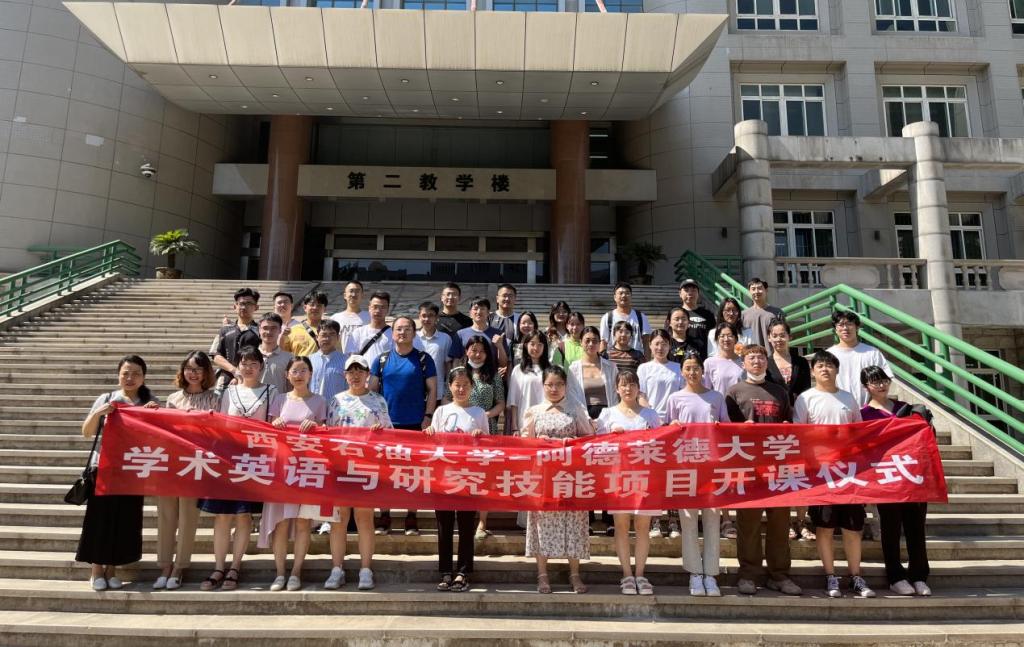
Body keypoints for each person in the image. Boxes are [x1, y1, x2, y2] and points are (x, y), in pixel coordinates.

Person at [794, 350, 875, 599]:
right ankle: (830, 575)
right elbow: (799, 435)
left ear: (837, 370)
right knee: (825, 526)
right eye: (820, 365)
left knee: (852, 527)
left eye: (829, 365)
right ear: (813, 371)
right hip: (820, 473)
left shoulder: (848, 398)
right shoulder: (805, 399)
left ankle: (856, 575)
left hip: (848, 472)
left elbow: (859, 433)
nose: (825, 369)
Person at [77, 355, 159, 591]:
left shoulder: (150, 402)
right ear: (118, 375)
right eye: (126, 373)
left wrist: (153, 414)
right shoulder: (107, 398)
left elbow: (156, 437)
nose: (130, 378)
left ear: (144, 377)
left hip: (133, 469)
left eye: (136, 373)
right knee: (99, 519)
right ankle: (96, 570)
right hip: (104, 468)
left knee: (124, 520)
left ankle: (112, 569)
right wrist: (98, 414)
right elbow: (86, 432)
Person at [726, 345, 801, 597]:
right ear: (743, 363)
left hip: (778, 468)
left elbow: (789, 423)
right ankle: (748, 574)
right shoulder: (734, 392)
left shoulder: (780, 392)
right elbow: (726, 431)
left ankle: (779, 575)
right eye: (751, 357)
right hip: (748, 468)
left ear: (767, 363)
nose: (756, 361)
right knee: (748, 525)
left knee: (780, 523)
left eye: (760, 357)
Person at [199, 346, 276, 591]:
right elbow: (221, 424)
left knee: (244, 515)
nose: (248, 367)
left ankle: (235, 567)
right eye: (244, 363)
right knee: (222, 516)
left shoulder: (271, 391)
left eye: (254, 363)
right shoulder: (229, 392)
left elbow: (274, 425)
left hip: (254, 460)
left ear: (261, 367)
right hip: (228, 459)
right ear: (238, 365)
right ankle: (218, 567)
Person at [522, 366, 595, 594]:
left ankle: (575, 573)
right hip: (543, 478)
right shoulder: (534, 412)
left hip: (570, 477)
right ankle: (542, 574)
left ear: (566, 386)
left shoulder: (576, 409)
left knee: (573, 523)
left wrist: (572, 441)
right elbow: (524, 445)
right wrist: (539, 442)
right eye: (550, 384)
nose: (554, 389)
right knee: (542, 524)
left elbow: (589, 439)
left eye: (559, 384)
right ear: (543, 386)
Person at [860, 365, 932, 597]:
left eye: (884, 380)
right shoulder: (863, 414)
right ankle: (895, 576)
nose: (881, 385)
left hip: (911, 476)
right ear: (866, 387)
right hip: (886, 477)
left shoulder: (907, 409)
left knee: (916, 528)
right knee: (890, 528)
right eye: (875, 382)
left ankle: (919, 575)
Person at [261, 356, 328, 592]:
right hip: (282, 469)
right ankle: (280, 573)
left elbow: (327, 435)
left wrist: (317, 428)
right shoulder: (279, 400)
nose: (299, 375)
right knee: (280, 523)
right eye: (295, 371)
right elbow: (268, 434)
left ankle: (296, 572)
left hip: (307, 469)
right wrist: (275, 424)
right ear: (287, 375)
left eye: (303, 370)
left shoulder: (320, 401)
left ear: (310, 374)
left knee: (302, 523)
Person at [325, 354, 391, 591]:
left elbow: (390, 435)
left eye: (360, 371)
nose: (355, 375)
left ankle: (365, 569)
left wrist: (380, 432)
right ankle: (337, 569)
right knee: (339, 520)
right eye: (351, 371)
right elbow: (328, 433)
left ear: (367, 375)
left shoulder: (378, 401)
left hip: (366, 467)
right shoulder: (336, 401)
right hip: (341, 467)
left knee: (364, 518)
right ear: (345, 375)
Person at [156, 351, 219, 591]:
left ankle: (179, 567)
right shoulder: (173, 398)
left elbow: (218, 433)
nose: (193, 373)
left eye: (198, 369)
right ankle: (164, 566)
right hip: (172, 463)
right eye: (189, 368)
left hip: (196, 464)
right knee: (165, 516)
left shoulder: (214, 399)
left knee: (188, 517)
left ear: (206, 373)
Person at [595, 370, 661, 596]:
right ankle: (626, 575)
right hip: (618, 477)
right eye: (623, 385)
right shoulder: (607, 414)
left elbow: (661, 444)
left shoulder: (651, 415)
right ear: (616, 389)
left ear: (638, 387)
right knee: (621, 526)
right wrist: (612, 437)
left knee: (643, 527)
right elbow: (598, 446)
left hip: (645, 477)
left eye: (632, 384)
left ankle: (640, 574)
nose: (628, 388)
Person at [666, 352, 727, 597]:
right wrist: (671, 427)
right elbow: (667, 431)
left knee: (712, 520)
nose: (692, 372)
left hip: (712, 467)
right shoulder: (675, 398)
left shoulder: (716, 397)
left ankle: (711, 573)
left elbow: (727, 428)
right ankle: (694, 572)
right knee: (689, 520)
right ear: (682, 372)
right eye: (688, 368)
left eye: (696, 368)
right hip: (685, 467)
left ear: (703, 371)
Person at [371, 315, 438, 536]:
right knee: (385, 474)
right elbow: (372, 392)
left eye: (407, 329)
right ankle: (384, 516)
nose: (403, 332)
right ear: (392, 334)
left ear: (414, 333)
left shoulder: (424, 359)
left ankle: (411, 516)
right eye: (398, 329)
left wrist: (428, 415)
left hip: (415, 424)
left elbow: (432, 390)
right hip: (387, 426)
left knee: (413, 473)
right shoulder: (381, 360)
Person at [424, 367, 489, 592]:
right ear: (450, 387)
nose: (461, 389)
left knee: (466, 525)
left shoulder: (479, 413)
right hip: (443, 476)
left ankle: (463, 571)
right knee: (444, 525)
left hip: (468, 476)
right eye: (457, 385)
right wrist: (430, 433)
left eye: (466, 385)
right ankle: (445, 570)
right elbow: (433, 443)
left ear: (472, 387)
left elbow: (488, 447)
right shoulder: (441, 411)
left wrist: (480, 438)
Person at [765, 317, 814, 541]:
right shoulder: (765, 362)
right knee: (779, 474)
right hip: (775, 424)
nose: (778, 339)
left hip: (799, 422)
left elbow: (806, 391)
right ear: (769, 338)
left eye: (782, 335)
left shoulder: (801, 362)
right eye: (774, 335)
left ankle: (802, 521)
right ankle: (784, 522)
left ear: (789, 337)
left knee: (800, 472)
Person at [462, 335, 506, 539]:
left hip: (487, 429)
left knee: (484, 477)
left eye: (481, 351)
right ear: (467, 351)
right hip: (462, 431)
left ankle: (482, 521)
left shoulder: (493, 375)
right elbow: (447, 397)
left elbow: (501, 403)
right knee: (463, 474)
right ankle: (464, 516)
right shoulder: (459, 373)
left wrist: (485, 416)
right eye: (474, 350)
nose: (477, 354)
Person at [826, 311, 894, 407]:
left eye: (849, 324)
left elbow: (886, 378)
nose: (845, 328)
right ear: (835, 329)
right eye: (840, 325)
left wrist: (872, 404)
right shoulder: (829, 355)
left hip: (870, 408)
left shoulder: (872, 352)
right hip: (839, 408)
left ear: (857, 327)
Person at [212, 287, 261, 390]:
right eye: (241, 303)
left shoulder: (260, 331)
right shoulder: (225, 330)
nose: (244, 307)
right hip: (225, 383)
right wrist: (234, 371)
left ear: (256, 307)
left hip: (251, 383)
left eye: (248, 303)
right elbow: (215, 355)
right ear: (235, 306)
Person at [567, 326, 618, 419]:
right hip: (583, 417)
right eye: (587, 341)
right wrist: (585, 418)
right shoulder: (573, 369)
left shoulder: (611, 367)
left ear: (599, 343)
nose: (591, 344)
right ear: (581, 342)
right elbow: (572, 396)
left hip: (608, 416)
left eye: (595, 341)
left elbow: (615, 395)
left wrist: (613, 417)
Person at [507, 330, 550, 435]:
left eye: (540, 345)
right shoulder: (518, 369)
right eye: (532, 344)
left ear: (544, 347)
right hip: (524, 421)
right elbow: (513, 401)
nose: (536, 348)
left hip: (546, 420)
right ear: (526, 345)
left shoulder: (551, 369)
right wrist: (515, 427)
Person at [414, 301, 457, 404]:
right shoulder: (413, 337)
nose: (427, 319)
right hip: (415, 389)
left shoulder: (445, 338)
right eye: (424, 315)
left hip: (438, 390)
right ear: (419, 316)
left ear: (437, 317)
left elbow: (448, 366)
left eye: (431, 316)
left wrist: (448, 390)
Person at [637, 329, 681, 423]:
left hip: (675, 420)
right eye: (656, 344)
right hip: (651, 420)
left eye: (664, 344)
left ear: (669, 346)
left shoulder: (678, 368)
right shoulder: (644, 368)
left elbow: (683, 395)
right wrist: (655, 418)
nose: (660, 348)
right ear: (650, 345)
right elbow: (641, 397)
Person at [456, 297, 509, 370]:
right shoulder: (460, 334)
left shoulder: (498, 334)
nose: (479, 312)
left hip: (491, 376)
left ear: (488, 313)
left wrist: (500, 346)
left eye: (482, 309)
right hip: (467, 376)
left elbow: (504, 364)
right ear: (470, 313)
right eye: (475, 309)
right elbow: (456, 359)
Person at [599, 282, 651, 355]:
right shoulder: (607, 317)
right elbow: (603, 342)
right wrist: (601, 360)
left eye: (627, 293)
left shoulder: (641, 317)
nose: (624, 295)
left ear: (631, 296)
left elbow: (646, 342)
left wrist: (647, 360)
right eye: (620, 293)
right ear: (615, 297)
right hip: (612, 360)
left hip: (636, 359)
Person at [346, 291, 393, 367]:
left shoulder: (393, 334)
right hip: (363, 373)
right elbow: (352, 359)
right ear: (369, 308)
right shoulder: (358, 333)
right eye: (375, 307)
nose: (378, 311)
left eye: (383, 307)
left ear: (388, 310)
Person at [282, 290, 329, 358]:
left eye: (319, 305)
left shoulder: (330, 330)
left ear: (324, 309)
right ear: (305, 308)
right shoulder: (293, 330)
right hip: (300, 364)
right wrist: (283, 336)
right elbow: (283, 352)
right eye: (312, 304)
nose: (315, 308)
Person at [309, 319, 347, 401]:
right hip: (312, 406)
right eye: (323, 335)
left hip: (336, 407)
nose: (327, 338)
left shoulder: (346, 361)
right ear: (317, 337)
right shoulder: (309, 360)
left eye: (331, 334)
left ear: (338, 337)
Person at [741, 278, 785, 348]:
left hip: (772, 353)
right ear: (749, 291)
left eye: (759, 288)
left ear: (766, 290)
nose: (756, 291)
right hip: (751, 353)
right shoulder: (743, 315)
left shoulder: (777, 312)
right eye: (753, 289)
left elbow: (783, 334)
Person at [704, 322, 745, 395]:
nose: (726, 339)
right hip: (718, 402)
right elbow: (706, 390)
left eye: (730, 336)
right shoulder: (709, 363)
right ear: (717, 339)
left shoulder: (744, 362)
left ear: (736, 339)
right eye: (722, 336)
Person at [679, 279, 716, 359]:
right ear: (680, 294)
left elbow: (714, 337)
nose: (690, 293)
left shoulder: (708, 315)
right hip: (680, 357)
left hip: (703, 358)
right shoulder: (675, 314)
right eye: (686, 290)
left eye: (693, 290)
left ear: (698, 294)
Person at [330, 279, 371, 349]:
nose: (354, 294)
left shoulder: (370, 317)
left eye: (357, 291)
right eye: (351, 291)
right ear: (345, 295)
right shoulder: (335, 318)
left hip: (363, 356)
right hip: (341, 356)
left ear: (362, 295)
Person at [258, 312, 293, 393]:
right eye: (265, 328)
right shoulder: (250, 356)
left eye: (273, 328)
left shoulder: (289, 358)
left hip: (280, 400)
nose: (269, 332)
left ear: (280, 330)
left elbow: (291, 388)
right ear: (259, 330)